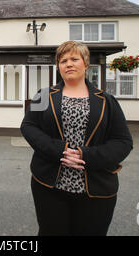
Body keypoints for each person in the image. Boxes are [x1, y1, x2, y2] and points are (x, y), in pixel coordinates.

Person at [20, 41, 133, 236]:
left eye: (74, 59)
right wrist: (59, 150)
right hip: (49, 186)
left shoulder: (107, 101)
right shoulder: (43, 96)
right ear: (58, 67)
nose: (68, 64)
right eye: (63, 61)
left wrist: (84, 155)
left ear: (86, 64)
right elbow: (28, 126)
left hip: (96, 189)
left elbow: (123, 142)